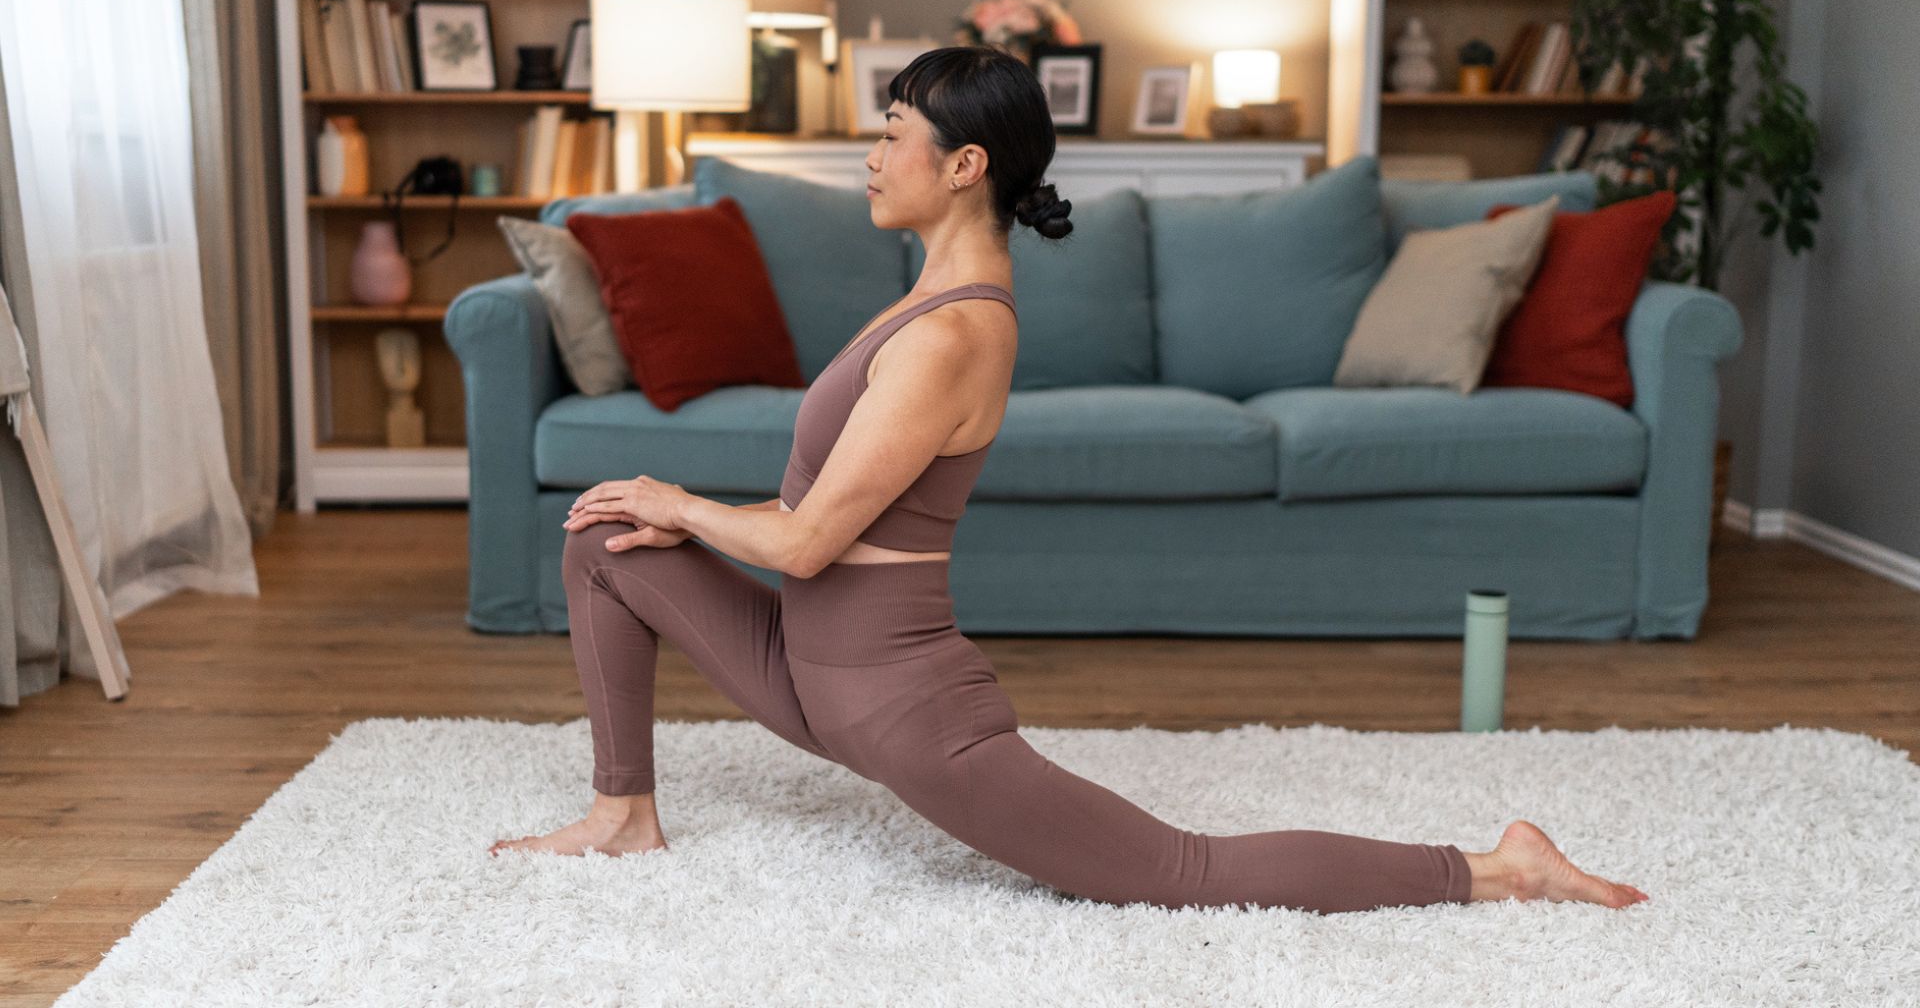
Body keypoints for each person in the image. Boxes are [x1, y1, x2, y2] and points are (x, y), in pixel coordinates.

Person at [489, 45, 1649, 915]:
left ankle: (1497, 870)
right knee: (602, 540)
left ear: (964, 164)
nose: (873, 153)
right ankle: (622, 814)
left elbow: (802, 545)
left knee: (1178, 873)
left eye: (892, 132)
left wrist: (681, 501)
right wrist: (654, 513)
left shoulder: (951, 333)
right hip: (810, 668)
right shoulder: (926, 295)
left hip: (899, 709)